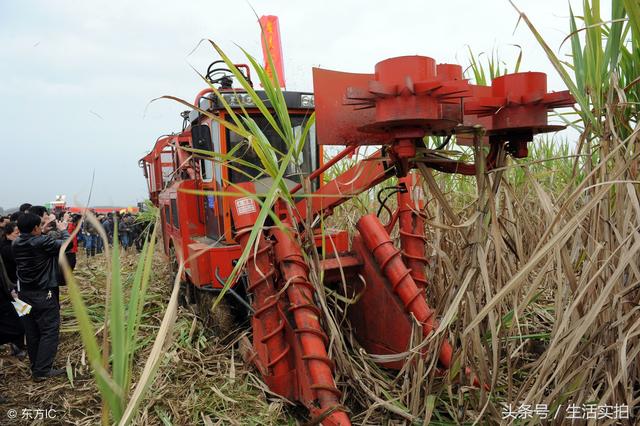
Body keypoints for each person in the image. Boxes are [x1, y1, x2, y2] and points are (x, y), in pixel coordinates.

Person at [12, 213, 68, 381]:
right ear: (36, 228)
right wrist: (63, 230)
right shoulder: (41, 242)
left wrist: (42, 230)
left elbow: (34, 240)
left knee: (32, 331)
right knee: (49, 330)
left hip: (23, 294)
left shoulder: (16, 243)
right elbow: (65, 244)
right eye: (40, 225)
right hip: (43, 292)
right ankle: (42, 370)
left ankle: (36, 366)